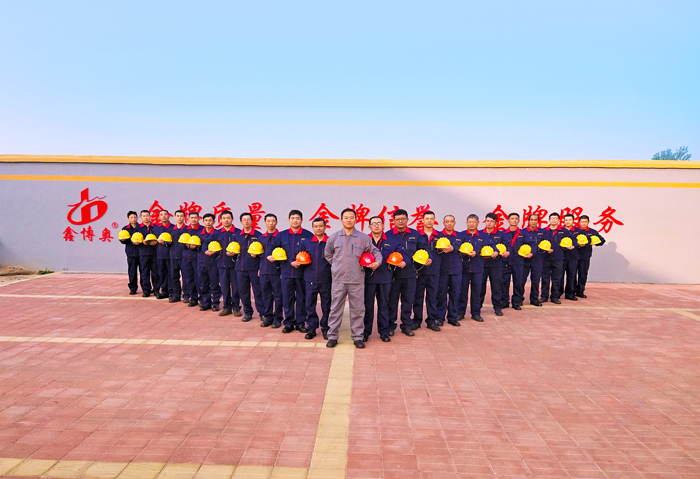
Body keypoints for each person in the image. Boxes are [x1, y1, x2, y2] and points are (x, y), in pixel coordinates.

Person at [324, 208, 381, 348]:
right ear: (341, 220)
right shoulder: (334, 237)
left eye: (351, 217)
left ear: (356, 220)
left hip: (357, 279)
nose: (349, 220)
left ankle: (357, 337)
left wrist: (377, 262)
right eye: (346, 217)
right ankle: (332, 336)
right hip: (338, 280)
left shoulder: (363, 238)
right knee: (335, 308)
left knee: (358, 309)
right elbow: (328, 254)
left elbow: (375, 251)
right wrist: (337, 266)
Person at [363, 216, 406, 342]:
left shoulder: (391, 241)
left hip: (385, 279)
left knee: (384, 306)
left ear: (383, 226)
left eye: (379, 223)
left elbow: (404, 254)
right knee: (367, 306)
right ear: (369, 227)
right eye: (373, 223)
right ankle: (365, 332)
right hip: (368, 279)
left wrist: (404, 261)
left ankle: (384, 332)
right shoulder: (364, 240)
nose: (376, 225)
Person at [386, 209, 427, 337]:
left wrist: (429, 258)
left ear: (407, 220)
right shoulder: (388, 235)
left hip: (410, 274)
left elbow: (424, 249)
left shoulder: (415, 234)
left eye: (403, 219)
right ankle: (390, 325)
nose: (400, 221)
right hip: (393, 274)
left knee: (408, 301)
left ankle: (406, 325)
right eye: (397, 219)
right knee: (392, 301)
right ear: (393, 221)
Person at [277, 210, 314, 333]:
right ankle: (288, 323)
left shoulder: (308, 235)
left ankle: (300, 323)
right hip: (286, 272)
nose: (295, 220)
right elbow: (273, 249)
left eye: (297, 218)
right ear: (289, 220)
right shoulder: (281, 235)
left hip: (302, 273)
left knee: (302, 298)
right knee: (287, 298)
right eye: (292, 218)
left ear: (301, 220)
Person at [299, 218, 332, 339]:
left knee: (327, 305)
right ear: (313, 228)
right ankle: (311, 328)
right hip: (310, 279)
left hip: (326, 279)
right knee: (309, 304)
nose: (318, 228)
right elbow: (297, 254)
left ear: (325, 227)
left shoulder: (330, 242)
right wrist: (294, 261)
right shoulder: (306, 242)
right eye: (316, 226)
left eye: (320, 226)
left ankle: (326, 328)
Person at [456, 214, 490, 322]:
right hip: (464, 268)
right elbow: (456, 247)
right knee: (462, 291)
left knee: (477, 291)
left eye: (473, 222)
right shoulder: (461, 235)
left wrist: (479, 252)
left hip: (478, 268)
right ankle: (460, 312)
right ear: (466, 223)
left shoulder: (483, 236)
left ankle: (476, 313)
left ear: (478, 223)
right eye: (469, 222)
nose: (471, 224)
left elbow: (491, 247)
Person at [413, 211, 441, 331]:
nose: (429, 221)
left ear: (434, 220)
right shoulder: (416, 235)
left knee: (432, 297)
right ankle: (417, 320)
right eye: (427, 218)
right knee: (417, 297)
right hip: (420, 271)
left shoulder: (440, 236)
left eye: (431, 219)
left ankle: (431, 321)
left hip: (434, 271)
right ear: (422, 221)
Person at [215, 210, 243, 317]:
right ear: (221, 220)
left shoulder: (238, 233)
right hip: (221, 265)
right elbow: (206, 243)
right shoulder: (217, 233)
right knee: (224, 287)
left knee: (236, 287)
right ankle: (226, 307)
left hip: (235, 265)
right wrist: (208, 250)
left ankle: (236, 307)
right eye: (224, 218)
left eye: (228, 218)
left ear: (232, 219)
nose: (226, 220)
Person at [259, 214, 284, 328]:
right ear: (264, 222)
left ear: (276, 222)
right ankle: (267, 316)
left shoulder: (280, 237)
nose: (270, 223)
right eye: (268, 221)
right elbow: (259, 256)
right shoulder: (261, 238)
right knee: (266, 295)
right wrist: (259, 268)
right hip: (264, 271)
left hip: (276, 271)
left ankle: (278, 318)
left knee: (278, 296)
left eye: (273, 221)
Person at [479, 212, 505, 316]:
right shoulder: (480, 234)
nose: (489, 223)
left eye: (491, 221)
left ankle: (497, 307)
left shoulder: (501, 234)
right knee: (480, 286)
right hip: (482, 264)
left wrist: (501, 252)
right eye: (487, 221)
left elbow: (507, 246)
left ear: (495, 223)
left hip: (496, 264)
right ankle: (477, 307)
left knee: (496, 286)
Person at [575, 215, 606, 298]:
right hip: (574, 256)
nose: (584, 223)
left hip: (585, 256)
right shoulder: (575, 231)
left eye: (585, 222)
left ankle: (580, 291)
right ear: (579, 222)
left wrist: (594, 241)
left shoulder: (592, 232)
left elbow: (602, 241)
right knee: (572, 274)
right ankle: (571, 291)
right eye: (582, 222)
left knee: (583, 274)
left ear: (588, 222)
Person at [500, 213, 527, 310]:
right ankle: (504, 301)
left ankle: (517, 302)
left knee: (518, 282)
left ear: (519, 221)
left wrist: (531, 252)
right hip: (505, 262)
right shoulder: (503, 233)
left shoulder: (523, 233)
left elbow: (532, 244)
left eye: (516, 219)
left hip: (518, 261)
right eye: (512, 218)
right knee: (504, 282)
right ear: (508, 220)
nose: (514, 220)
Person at [541, 213, 566, 304]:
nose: (554, 220)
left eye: (556, 218)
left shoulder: (563, 231)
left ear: (559, 220)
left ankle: (555, 297)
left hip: (558, 258)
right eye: (552, 218)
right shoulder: (543, 231)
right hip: (545, 258)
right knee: (545, 278)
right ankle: (544, 296)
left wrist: (571, 245)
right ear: (549, 220)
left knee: (557, 278)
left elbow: (573, 240)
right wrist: (543, 249)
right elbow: (539, 243)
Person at [198, 213, 222, 311]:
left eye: (210, 220)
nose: (208, 222)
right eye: (206, 220)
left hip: (213, 263)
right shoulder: (199, 234)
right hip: (201, 262)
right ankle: (205, 302)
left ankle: (215, 303)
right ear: (203, 222)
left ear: (214, 222)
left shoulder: (217, 234)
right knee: (202, 283)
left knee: (214, 283)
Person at [521, 214, 545, 307]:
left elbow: (546, 244)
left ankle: (534, 299)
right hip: (524, 260)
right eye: (531, 219)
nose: (533, 221)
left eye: (535, 220)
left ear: (538, 221)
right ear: (528, 221)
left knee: (536, 280)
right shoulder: (522, 232)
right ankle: (519, 299)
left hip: (537, 259)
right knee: (521, 280)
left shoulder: (542, 232)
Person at [137, 209, 158, 297]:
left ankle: (156, 290)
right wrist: (141, 242)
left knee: (155, 273)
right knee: (144, 272)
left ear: (150, 216)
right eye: (144, 216)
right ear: (141, 217)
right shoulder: (138, 228)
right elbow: (134, 240)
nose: (146, 218)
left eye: (147, 216)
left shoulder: (155, 227)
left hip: (154, 253)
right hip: (143, 253)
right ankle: (146, 290)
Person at [182, 212, 202, 307]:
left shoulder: (202, 230)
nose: (193, 219)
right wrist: (186, 245)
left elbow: (204, 243)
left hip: (197, 258)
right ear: (188, 219)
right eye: (191, 218)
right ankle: (193, 298)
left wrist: (197, 246)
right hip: (186, 258)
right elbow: (180, 243)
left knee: (199, 279)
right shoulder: (185, 230)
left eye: (195, 218)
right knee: (189, 279)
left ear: (198, 219)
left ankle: (202, 298)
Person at [154, 210, 175, 300]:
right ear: (159, 217)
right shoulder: (156, 228)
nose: (164, 216)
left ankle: (171, 291)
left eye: (165, 214)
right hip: (159, 254)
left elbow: (174, 241)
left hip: (170, 254)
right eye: (161, 215)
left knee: (171, 273)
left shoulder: (173, 228)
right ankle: (164, 291)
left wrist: (166, 243)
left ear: (168, 216)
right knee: (161, 273)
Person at [560, 213, 581, 301]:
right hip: (562, 256)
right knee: (559, 275)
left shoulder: (577, 231)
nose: (568, 222)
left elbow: (580, 240)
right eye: (566, 220)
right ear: (563, 221)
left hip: (573, 256)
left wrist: (574, 245)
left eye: (570, 220)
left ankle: (570, 293)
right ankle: (558, 293)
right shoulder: (560, 230)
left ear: (573, 221)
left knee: (572, 275)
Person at [119, 211, 140, 295]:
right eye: (131, 217)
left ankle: (146, 288)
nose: (133, 219)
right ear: (128, 219)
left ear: (137, 218)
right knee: (132, 271)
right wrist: (123, 240)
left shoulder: (141, 227)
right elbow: (122, 240)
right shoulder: (125, 228)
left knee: (144, 272)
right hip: (131, 253)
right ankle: (133, 288)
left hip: (141, 252)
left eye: (135, 217)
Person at [168, 210, 187, 303]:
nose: (179, 218)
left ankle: (186, 295)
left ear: (184, 217)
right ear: (175, 217)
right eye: (178, 216)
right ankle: (176, 295)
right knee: (174, 276)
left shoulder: (187, 229)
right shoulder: (171, 229)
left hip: (184, 257)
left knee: (186, 277)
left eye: (181, 216)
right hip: (173, 256)